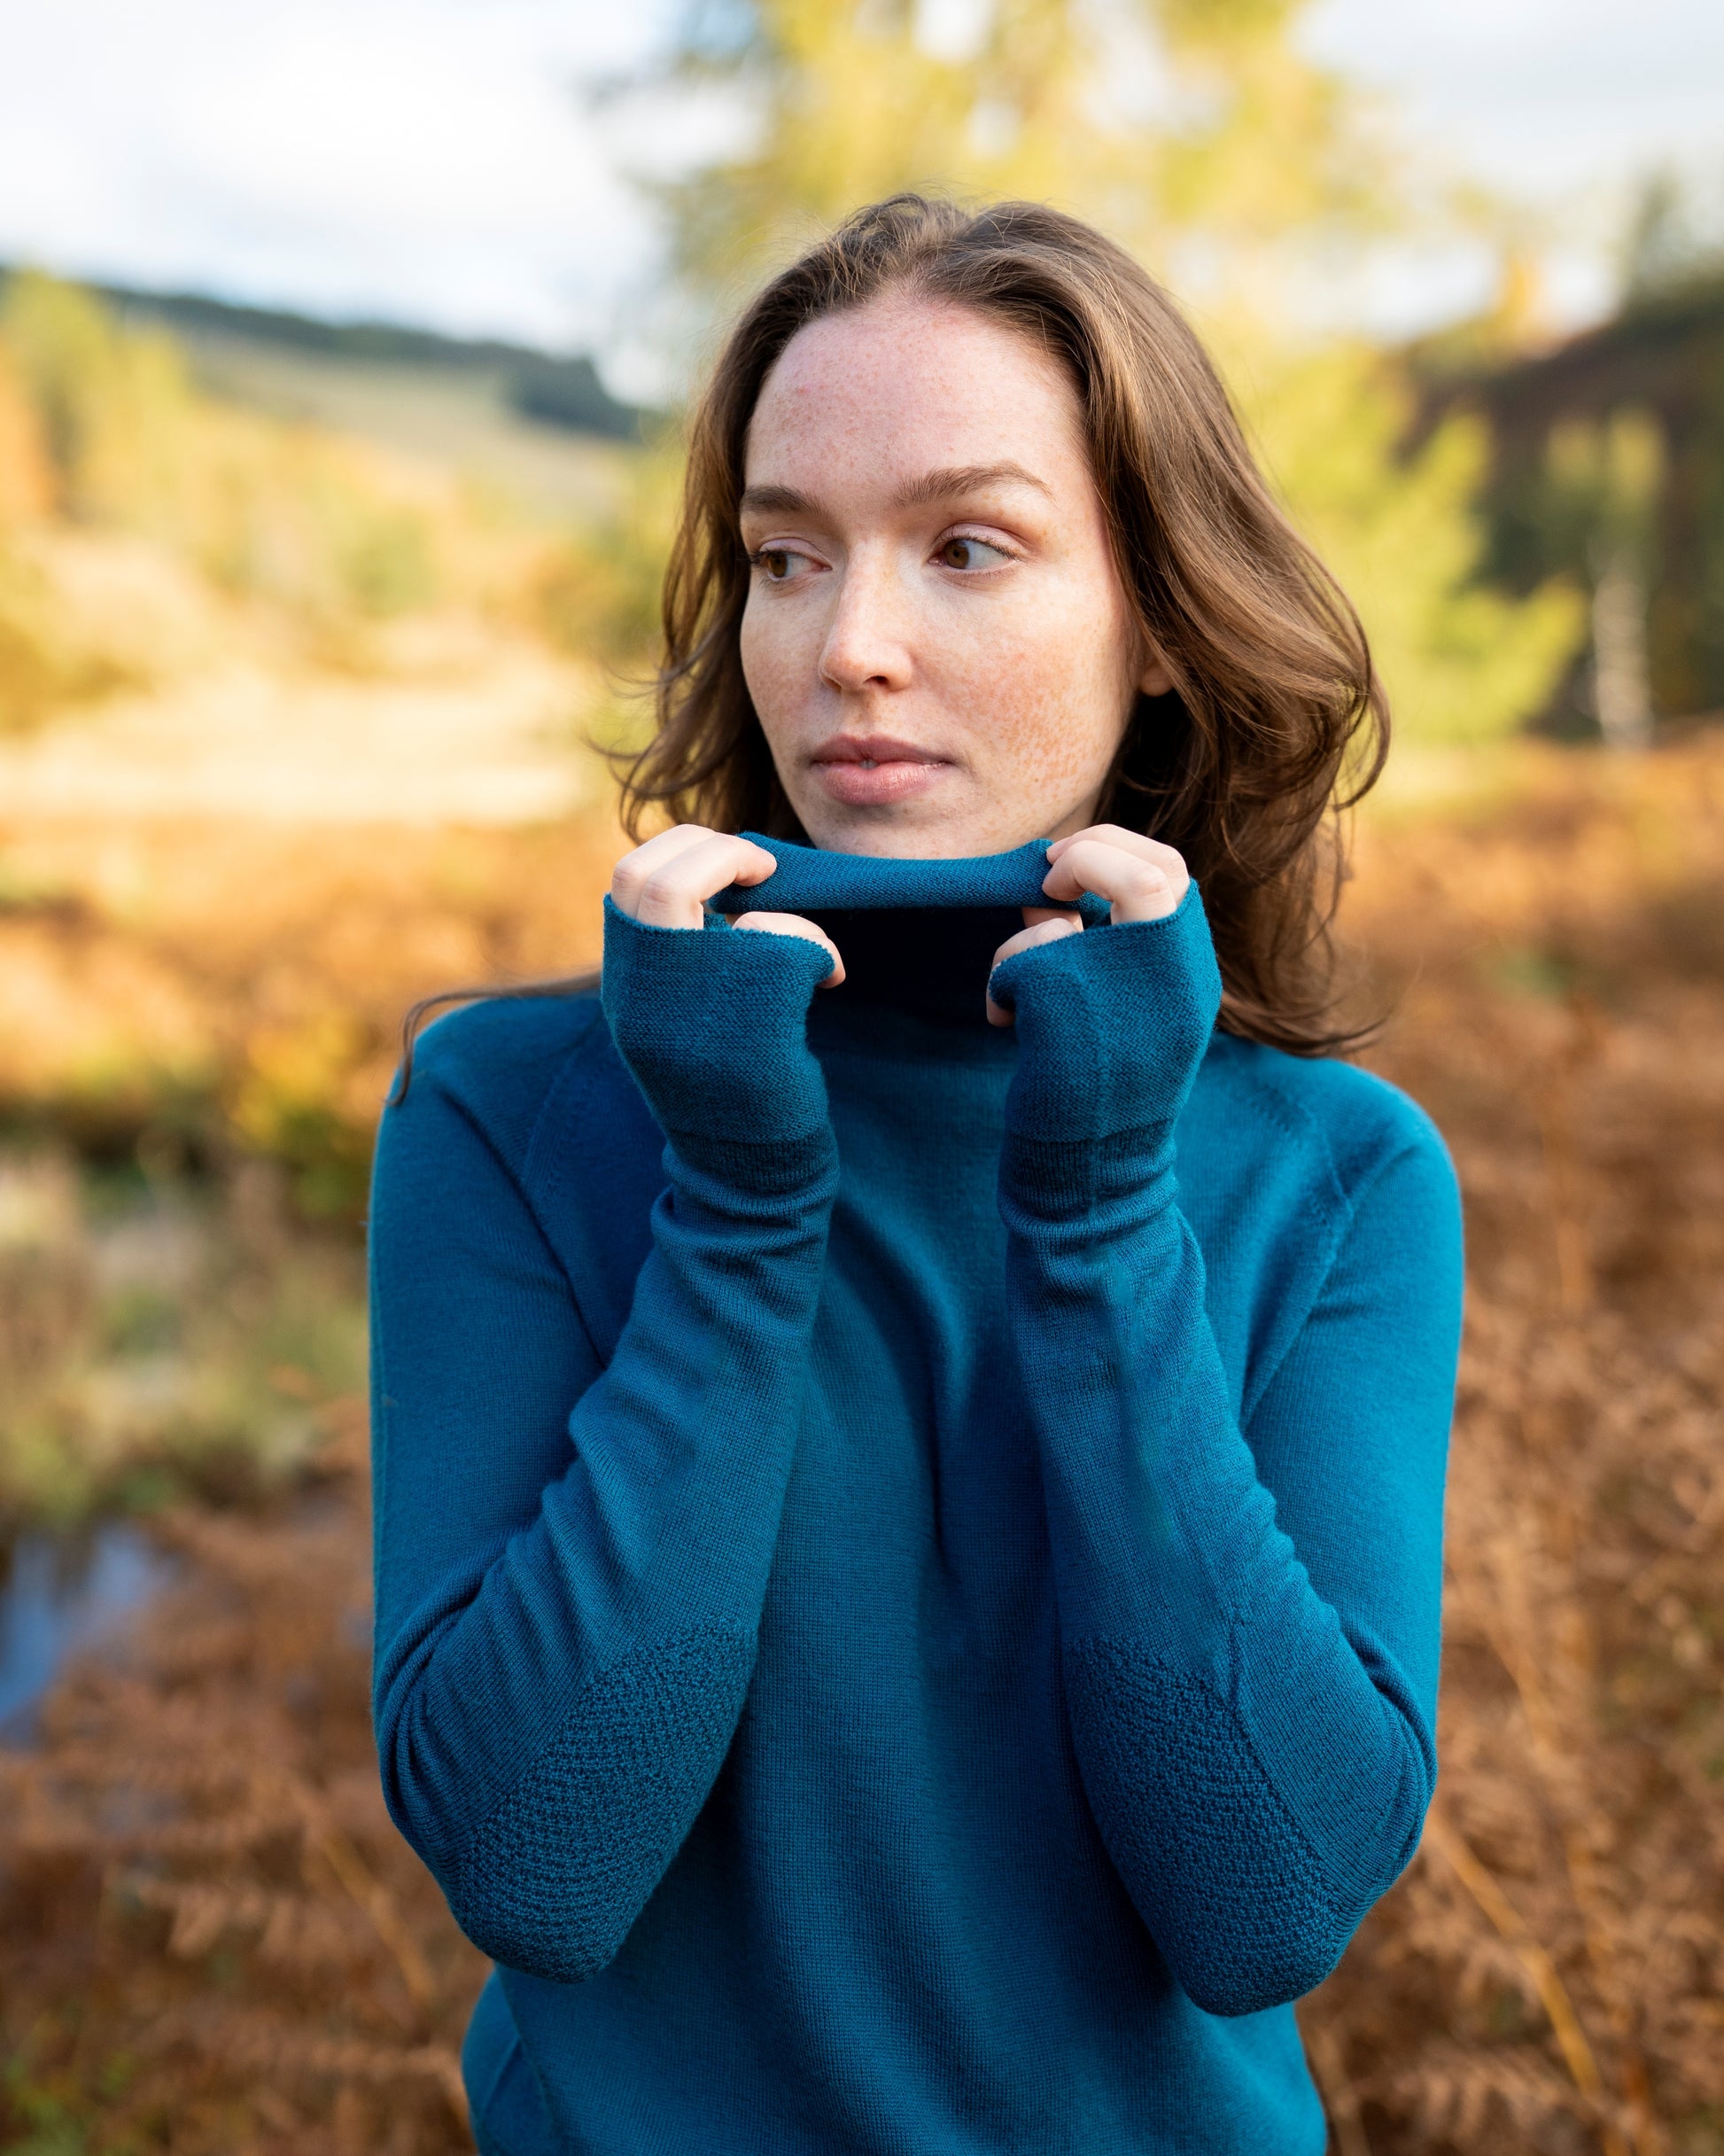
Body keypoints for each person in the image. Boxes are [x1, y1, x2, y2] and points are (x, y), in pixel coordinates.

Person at [368, 194, 1464, 2156]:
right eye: (787, 554)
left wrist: (1111, 1203)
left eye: (968, 546)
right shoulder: (510, 1109)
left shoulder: (1337, 1176)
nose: (847, 645)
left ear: (1155, 621)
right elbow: (540, 1856)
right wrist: (730, 1198)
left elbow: (1264, 1899)